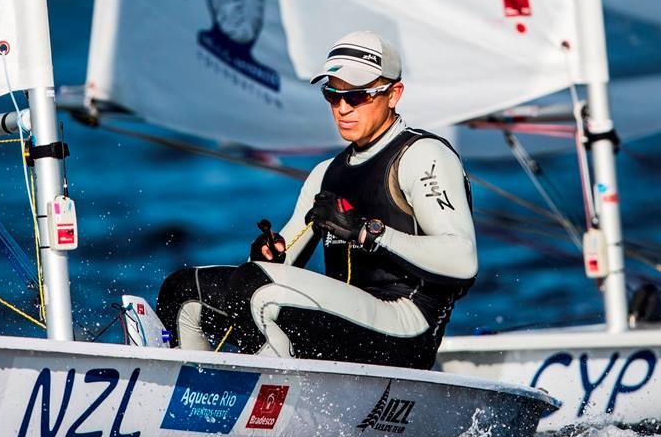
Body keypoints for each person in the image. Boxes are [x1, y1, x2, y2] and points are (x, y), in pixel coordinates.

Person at [155, 31, 477, 369]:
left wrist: (369, 233)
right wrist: (270, 254)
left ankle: (269, 397)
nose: (342, 108)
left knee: (256, 287)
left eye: (356, 96)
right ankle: (197, 396)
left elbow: (462, 260)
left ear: (393, 94)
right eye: (332, 95)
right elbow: (280, 266)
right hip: (344, 326)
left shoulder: (423, 156)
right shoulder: (325, 174)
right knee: (184, 290)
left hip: (406, 327)